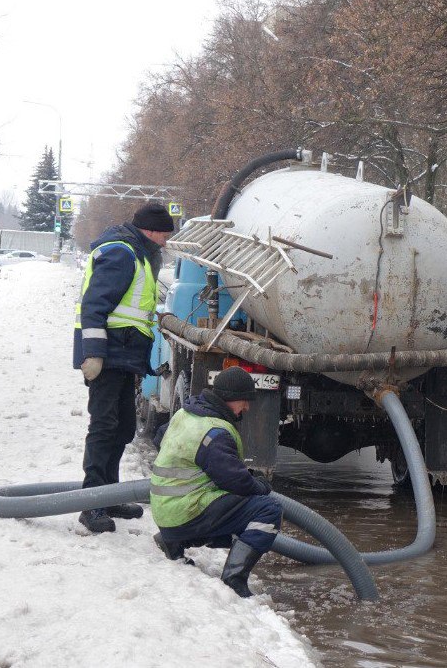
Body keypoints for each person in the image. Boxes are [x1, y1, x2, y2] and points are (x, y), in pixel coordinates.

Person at [74, 203, 175, 533]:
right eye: (164, 235)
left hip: (124, 356)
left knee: (122, 428)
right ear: (149, 231)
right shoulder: (122, 253)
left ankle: (110, 495)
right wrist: (93, 354)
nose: (166, 241)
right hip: (107, 356)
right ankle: (92, 505)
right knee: (104, 427)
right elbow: (94, 306)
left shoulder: (140, 254)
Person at [149, 366, 283, 598]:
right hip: (184, 512)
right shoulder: (215, 432)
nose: (247, 407)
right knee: (268, 510)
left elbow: (159, 438)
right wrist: (261, 485)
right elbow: (239, 483)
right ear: (231, 398)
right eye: (245, 400)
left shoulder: (186, 414)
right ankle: (234, 579)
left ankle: (173, 541)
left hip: (165, 509)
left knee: (234, 512)